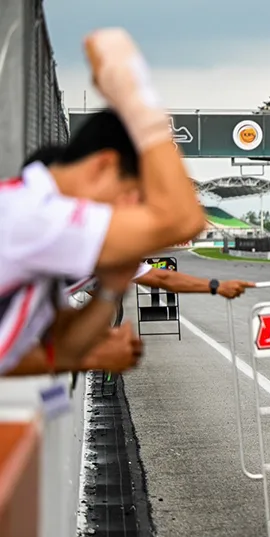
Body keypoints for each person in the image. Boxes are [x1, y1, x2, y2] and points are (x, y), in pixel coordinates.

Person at [0, 28, 206, 376]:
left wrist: (112, 287)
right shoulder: (35, 213)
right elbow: (183, 221)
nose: (129, 208)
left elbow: (64, 349)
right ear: (104, 165)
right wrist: (134, 95)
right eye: (130, 194)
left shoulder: (35, 213)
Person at [23, 145, 256, 302]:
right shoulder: (87, 232)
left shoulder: (98, 238)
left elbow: (161, 277)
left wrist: (216, 286)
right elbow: (161, 276)